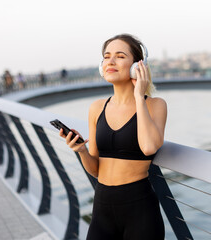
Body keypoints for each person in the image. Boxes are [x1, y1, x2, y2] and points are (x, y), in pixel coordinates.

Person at [59, 34, 167, 240]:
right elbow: (96, 171)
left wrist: (138, 96)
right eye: (107, 56)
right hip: (102, 206)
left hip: (140, 208)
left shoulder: (155, 105)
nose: (110, 61)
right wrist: (81, 150)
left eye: (119, 56)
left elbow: (149, 147)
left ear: (137, 66)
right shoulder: (97, 108)